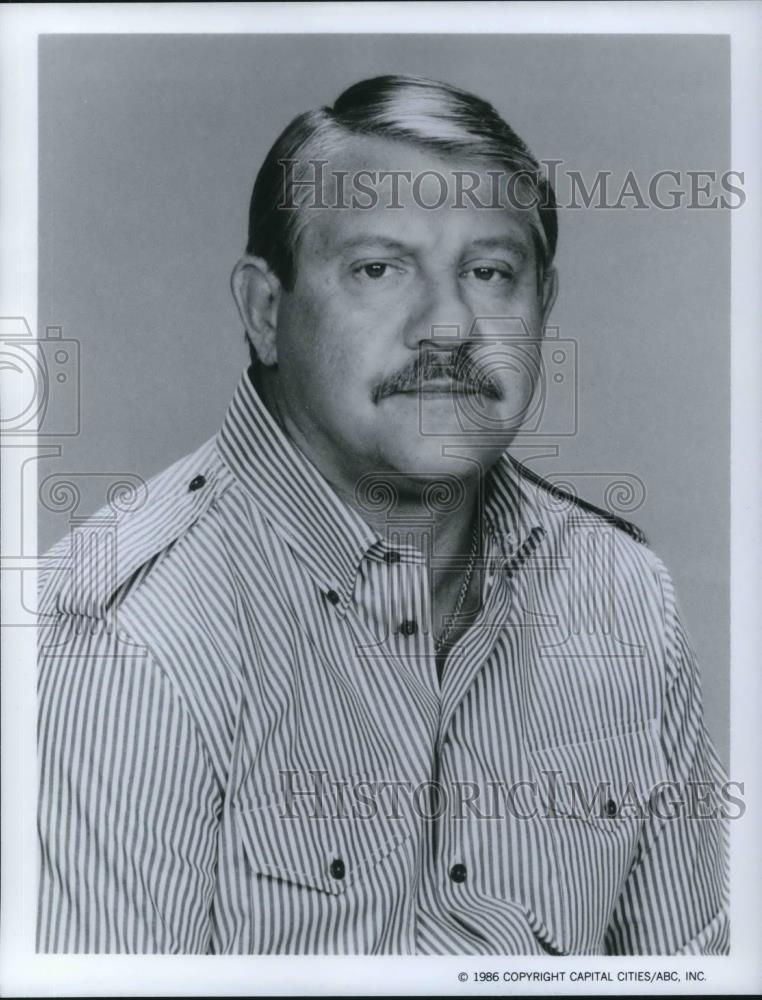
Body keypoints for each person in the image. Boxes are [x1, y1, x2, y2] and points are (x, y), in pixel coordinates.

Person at [37, 74, 729, 955]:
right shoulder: (127, 636)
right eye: (378, 268)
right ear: (265, 310)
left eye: (489, 272)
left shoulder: (624, 596)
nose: (447, 326)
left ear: (542, 307)